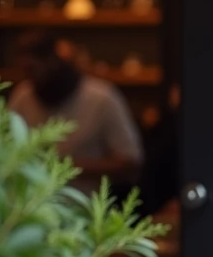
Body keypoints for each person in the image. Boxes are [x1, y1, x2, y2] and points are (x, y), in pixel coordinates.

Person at [8, 30, 144, 196]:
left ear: (53, 62)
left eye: (34, 70)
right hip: (29, 208)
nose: (32, 80)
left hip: (85, 208)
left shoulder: (102, 98)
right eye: (26, 72)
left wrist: (64, 166)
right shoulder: (23, 95)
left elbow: (130, 164)